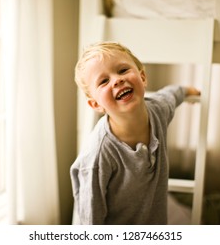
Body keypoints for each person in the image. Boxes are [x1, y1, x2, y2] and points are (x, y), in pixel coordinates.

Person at [70, 41, 200, 224]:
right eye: (104, 81)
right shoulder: (98, 156)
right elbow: (90, 219)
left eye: (122, 70)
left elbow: (171, 94)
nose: (117, 80)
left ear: (143, 77)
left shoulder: (159, 110)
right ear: (96, 104)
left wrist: (187, 91)